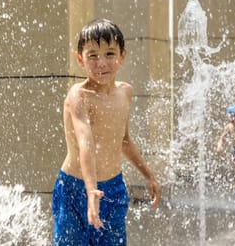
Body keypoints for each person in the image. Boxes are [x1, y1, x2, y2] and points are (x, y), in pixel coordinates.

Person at [52, 18, 161, 245]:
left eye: (109, 54)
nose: (101, 63)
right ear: (80, 59)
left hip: (113, 189)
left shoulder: (125, 93)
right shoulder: (79, 96)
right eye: (93, 56)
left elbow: (123, 141)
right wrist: (91, 191)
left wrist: (148, 175)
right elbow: (86, 143)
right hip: (75, 189)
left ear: (123, 56)